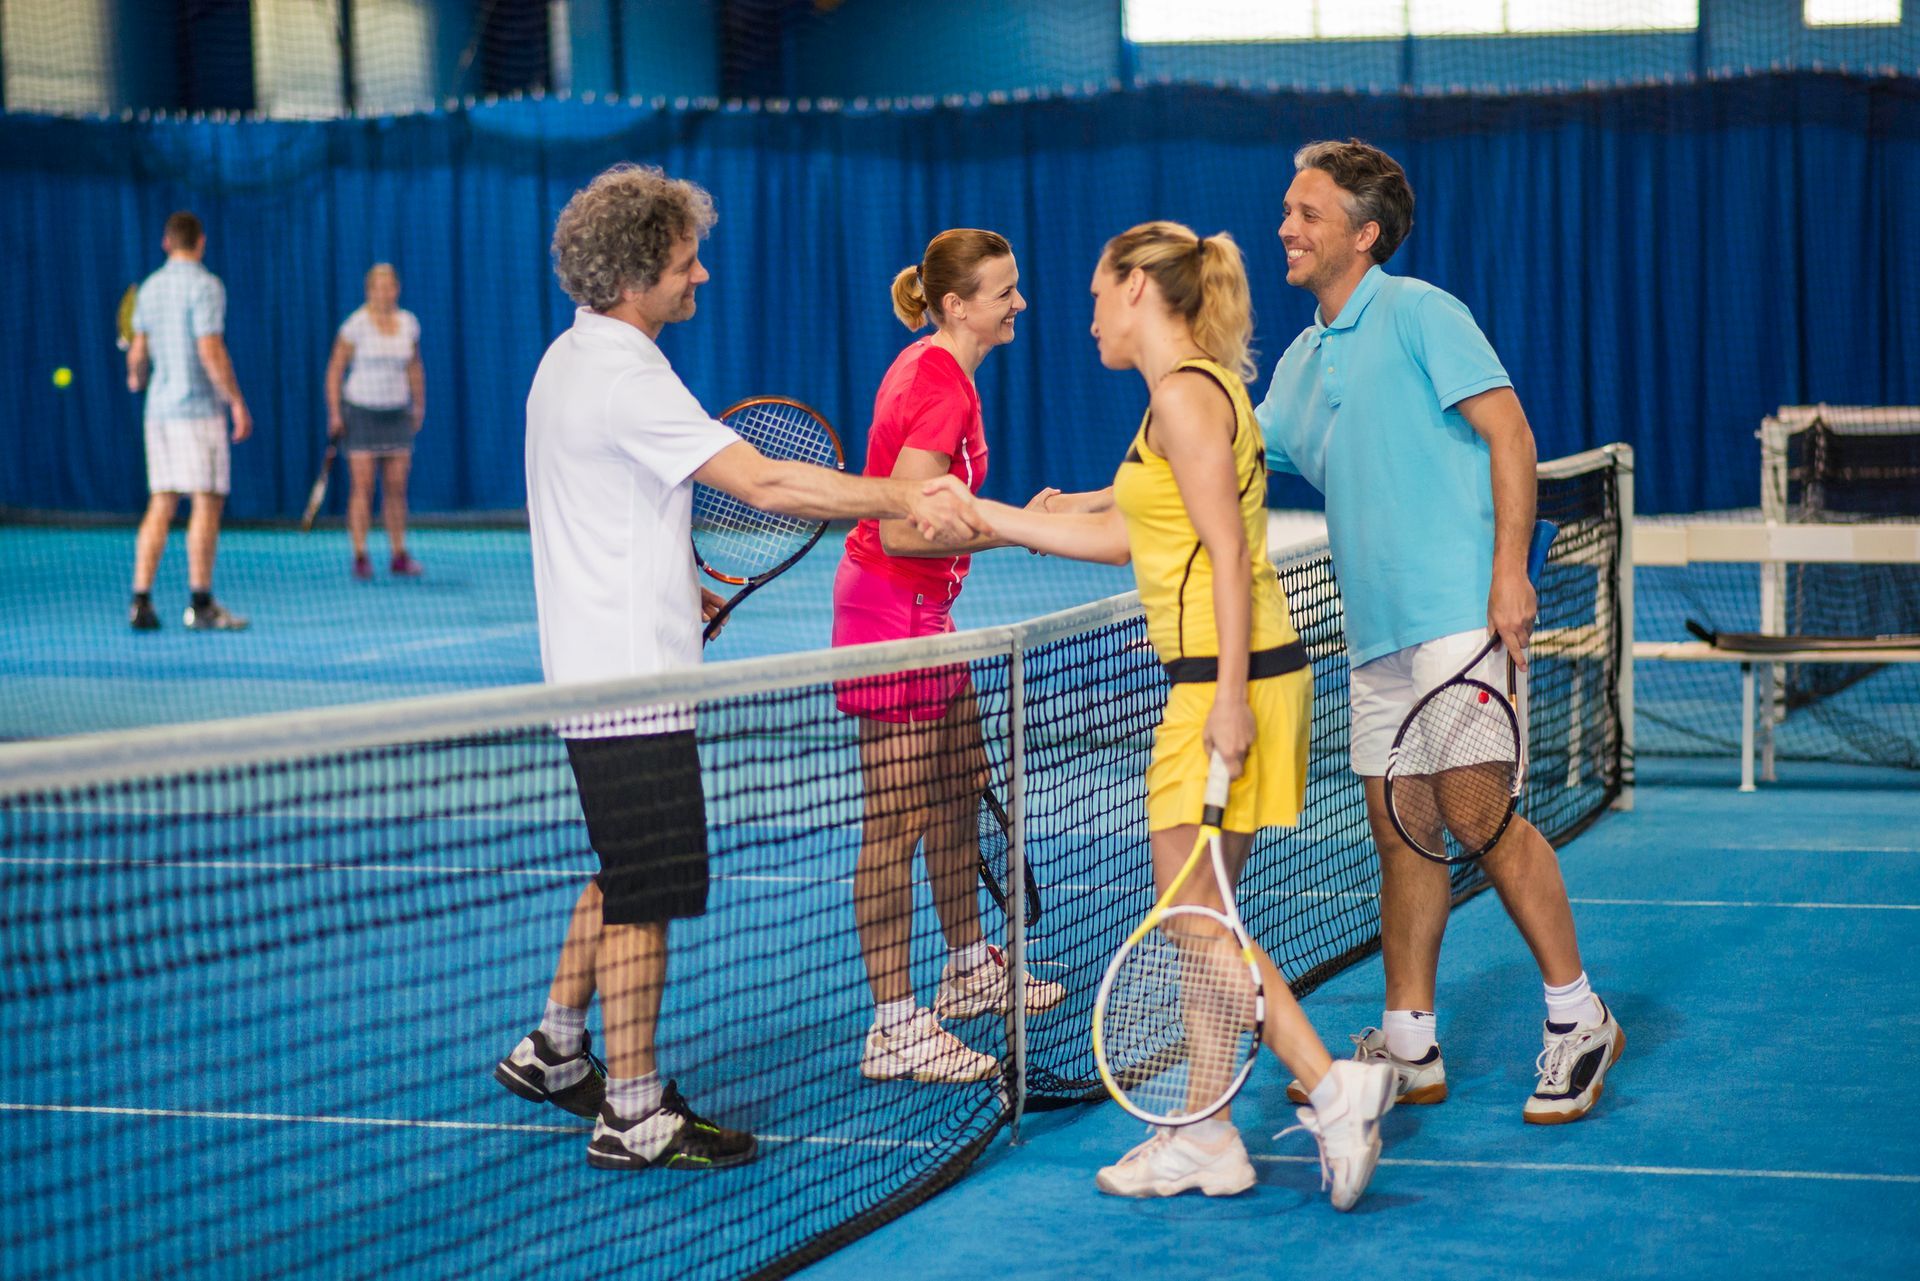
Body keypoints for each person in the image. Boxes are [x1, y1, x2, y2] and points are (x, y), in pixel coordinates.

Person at [493, 163, 986, 1173]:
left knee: (625, 866)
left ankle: (554, 1047)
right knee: (650, 890)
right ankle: (633, 1111)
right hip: (629, 690)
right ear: (636, 277)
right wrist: (901, 501)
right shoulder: (628, 374)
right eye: (685, 263)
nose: (703, 276)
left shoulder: (565, 361)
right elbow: (760, 480)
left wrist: (684, 587)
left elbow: (612, 507)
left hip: (598, 671)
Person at [977, 221, 1395, 1210]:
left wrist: (1234, 701)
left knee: (1193, 918)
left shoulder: (1182, 398)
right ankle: (1206, 1136)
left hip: (1223, 681)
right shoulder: (1194, 394)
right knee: (1202, 920)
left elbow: (1219, 543)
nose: (1082, 319)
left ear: (1134, 290)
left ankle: (1335, 1089)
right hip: (1234, 674)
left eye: (1092, 296)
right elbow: (1138, 531)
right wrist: (1002, 518)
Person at [1255, 139, 1623, 1124]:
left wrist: (1509, 572)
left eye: (1309, 212)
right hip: (1374, 631)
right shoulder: (1301, 358)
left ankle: (1578, 1017)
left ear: (1363, 234)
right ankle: (1410, 1044)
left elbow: (1511, 432)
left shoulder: (1422, 312)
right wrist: (1071, 503)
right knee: (1401, 832)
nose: (1286, 227)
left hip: (1460, 610)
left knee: (1476, 815)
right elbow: (1223, 457)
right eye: (1288, 210)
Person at [833, 229, 1068, 1086]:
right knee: (894, 821)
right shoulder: (937, 383)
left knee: (959, 783)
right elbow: (902, 524)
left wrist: (1020, 522)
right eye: (1006, 291)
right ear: (959, 305)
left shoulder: (940, 370)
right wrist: (1022, 525)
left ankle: (968, 966)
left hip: (928, 612)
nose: (1020, 303)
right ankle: (895, 1024)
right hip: (891, 615)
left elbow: (936, 521)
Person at [124, 211, 252, 631]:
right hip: (196, 413)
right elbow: (210, 349)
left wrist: (135, 377)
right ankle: (201, 604)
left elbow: (138, 358)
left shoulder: (149, 289)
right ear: (201, 243)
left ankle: (141, 601)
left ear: (166, 242)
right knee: (206, 501)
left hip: (158, 413)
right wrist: (236, 401)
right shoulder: (206, 285)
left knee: (161, 501)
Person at [325, 263, 425, 578]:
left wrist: (419, 405)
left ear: (397, 289)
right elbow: (335, 370)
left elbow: (414, 367)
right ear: (369, 291)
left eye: (389, 286)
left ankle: (398, 554)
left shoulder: (408, 323)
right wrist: (335, 413)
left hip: (396, 415)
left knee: (396, 487)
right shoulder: (355, 326)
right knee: (362, 487)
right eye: (377, 287)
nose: (384, 293)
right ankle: (360, 555)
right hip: (361, 413)